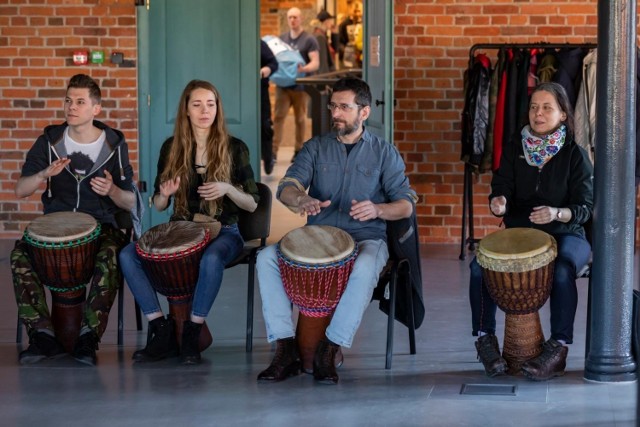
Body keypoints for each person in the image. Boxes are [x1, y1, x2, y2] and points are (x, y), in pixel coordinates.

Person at [256, 77, 416, 384]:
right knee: (266, 258)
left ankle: (331, 347)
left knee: (366, 264)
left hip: (368, 237)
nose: (336, 113)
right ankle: (284, 347)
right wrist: (300, 198)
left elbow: (406, 204)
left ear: (364, 112)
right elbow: (287, 187)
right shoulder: (315, 148)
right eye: (334, 106)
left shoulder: (384, 152)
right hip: (319, 238)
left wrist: (378, 209)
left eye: (344, 107)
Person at [119, 80, 259, 365]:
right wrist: (164, 193)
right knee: (127, 255)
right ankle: (160, 328)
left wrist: (228, 189)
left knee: (211, 258)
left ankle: (193, 331)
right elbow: (159, 205)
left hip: (224, 231)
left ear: (218, 109)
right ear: (186, 110)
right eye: (197, 104)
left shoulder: (235, 148)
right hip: (181, 228)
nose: (204, 110)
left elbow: (253, 203)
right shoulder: (172, 148)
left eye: (210, 104)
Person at [469, 82, 593, 381]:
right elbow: (501, 188)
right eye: (534, 107)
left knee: (562, 269)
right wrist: (498, 202)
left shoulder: (575, 155)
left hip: (567, 232)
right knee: (478, 268)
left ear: (563, 114)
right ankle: (485, 340)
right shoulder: (515, 148)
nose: (538, 113)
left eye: (547, 107)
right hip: (521, 233)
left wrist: (557, 213)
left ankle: (558, 349)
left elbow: (585, 207)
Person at [11, 74, 135, 366]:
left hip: (103, 225)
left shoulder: (115, 144)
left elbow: (131, 201)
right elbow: (20, 190)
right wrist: (43, 175)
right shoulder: (49, 141)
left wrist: (113, 190)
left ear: (96, 109)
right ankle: (42, 336)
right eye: (68, 100)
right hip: (57, 225)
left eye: (80, 101)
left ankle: (88, 338)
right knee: (19, 255)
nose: (71, 107)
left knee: (110, 256)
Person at [272, 7, 320, 163]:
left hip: (301, 87)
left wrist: (304, 69)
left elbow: (315, 63)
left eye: (295, 17)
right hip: (283, 87)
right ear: (287, 19)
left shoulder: (309, 39)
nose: (292, 20)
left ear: (301, 19)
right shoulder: (282, 39)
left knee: (300, 119)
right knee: (278, 118)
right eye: (290, 17)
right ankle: (273, 151)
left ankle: (298, 149)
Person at [260, 39, 278, 175]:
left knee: (265, 125)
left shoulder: (258, 43)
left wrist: (266, 70)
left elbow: (274, 63)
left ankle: (267, 158)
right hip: (237, 91)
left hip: (260, 91)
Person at [310, 10, 336, 75]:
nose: (332, 23)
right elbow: (322, 62)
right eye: (330, 21)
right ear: (326, 22)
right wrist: (325, 80)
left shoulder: (319, 34)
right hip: (323, 77)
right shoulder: (320, 37)